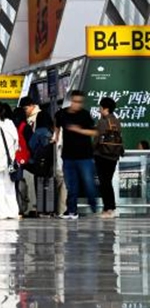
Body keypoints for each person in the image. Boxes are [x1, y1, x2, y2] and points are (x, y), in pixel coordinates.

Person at [55, 90, 98, 220]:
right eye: (75, 101)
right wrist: (56, 136)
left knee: (89, 183)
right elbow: (57, 125)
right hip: (68, 156)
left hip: (85, 156)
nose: (77, 104)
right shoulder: (61, 114)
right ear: (71, 100)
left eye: (80, 102)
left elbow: (94, 132)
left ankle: (93, 204)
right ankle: (72, 211)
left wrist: (79, 130)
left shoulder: (85, 115)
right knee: (71, 185)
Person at [19, 96, 55, 218]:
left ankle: (41, 209)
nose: (25, 111)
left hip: (39, 156)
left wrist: (31, 150)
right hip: (47, 157)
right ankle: (46, 209)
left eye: (26, 108)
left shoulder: (39, 120)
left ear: (32, 106)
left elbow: (35, 140)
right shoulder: (45, 124)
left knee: (39, 181)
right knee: (45, 182)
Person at [94, 96, 124, 218]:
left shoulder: (102, 122)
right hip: (114, 156)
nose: (99, 110)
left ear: (105, 108)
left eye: (100, 107)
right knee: (107, 181)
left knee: (104, 182)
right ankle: (110, 208)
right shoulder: (117, 121)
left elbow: (96, 139)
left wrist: (92, 150)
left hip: (102, 155)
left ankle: (108, 208)